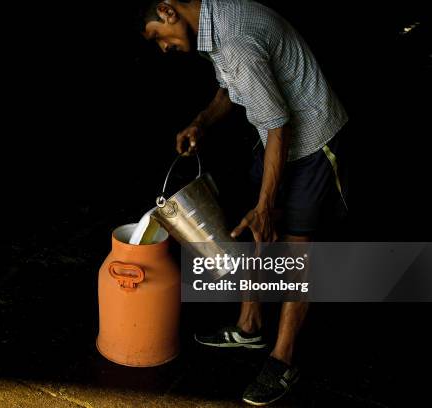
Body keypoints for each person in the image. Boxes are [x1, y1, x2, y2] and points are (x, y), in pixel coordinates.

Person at [139, 0, 348, 405]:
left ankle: (282, 360)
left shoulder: (234, 40)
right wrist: (200, 121)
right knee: (254, 227)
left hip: (312, 139)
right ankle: (249, 327)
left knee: (293, 248)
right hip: (275, 138)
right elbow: (231, 90)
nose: (163, 49)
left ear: (167, 11)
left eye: (156, 39)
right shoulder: (215, 28)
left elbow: (278, 123)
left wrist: (267, 203)